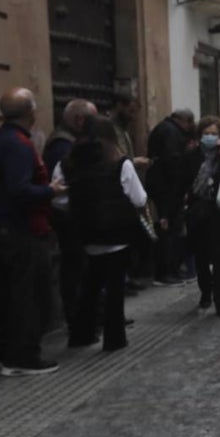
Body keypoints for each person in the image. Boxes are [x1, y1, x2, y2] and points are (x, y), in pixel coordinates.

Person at [0, 87, 65, 375]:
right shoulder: (19, 145)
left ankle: (1, 350)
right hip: (23, 229)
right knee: (28, 294)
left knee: (6, 291)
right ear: (30, 112)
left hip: (3, 228)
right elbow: (19, 190)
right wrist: (50, 189)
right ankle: (23, 356)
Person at [60, 118, 146, 351]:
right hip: (117, 233)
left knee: (90, 284)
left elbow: (60, 199)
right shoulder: (120, 164)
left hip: (85, 234)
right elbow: (139, 198)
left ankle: (81, 334)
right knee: (115, 287)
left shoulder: (67, 163)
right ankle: (114, 339)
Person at [44, 98, 96, 326]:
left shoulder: (72, 142)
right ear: (80, 120)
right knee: (75, 268)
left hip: (75, 217)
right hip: (69, 220)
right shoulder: (63, 146)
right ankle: (77, 318)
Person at [183, 117, 220, 317]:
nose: (210, 137)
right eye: (206, 133)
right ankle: (206, 293)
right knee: (202, 259)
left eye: (214, 134)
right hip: (198, 214)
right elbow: (184, 183)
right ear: (199, 136)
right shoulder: (191, 157)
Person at [146, 109, 195, 286]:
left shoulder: (167, 129)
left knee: (170, 229)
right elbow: (172, 162)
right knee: (167, 228)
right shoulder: (170, 132)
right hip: (166, 190)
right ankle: (164, 272)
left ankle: (170, 269)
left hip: (165, 188)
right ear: (185, 121)